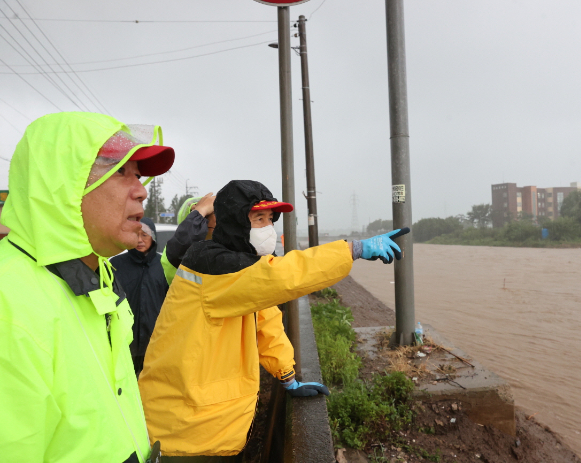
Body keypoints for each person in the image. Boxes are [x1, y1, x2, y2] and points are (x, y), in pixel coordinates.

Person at [138, 180, 409, 461]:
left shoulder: (240, 266)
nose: (267, 227)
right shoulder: (212, 265)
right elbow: (284, 275)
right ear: (234, 223)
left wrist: (287, 376)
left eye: (270, 219)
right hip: (184, 432)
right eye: (258, 218)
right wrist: (351, 250)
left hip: (216, 426)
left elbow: (266, 322)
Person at [0, 112, 174, 463]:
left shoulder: (100, 274)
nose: (141, 190)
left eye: (139, 175)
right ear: (61, 183)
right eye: (120, 171)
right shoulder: (10, 301)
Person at [110, 217, 169, 375]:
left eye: (145, 235)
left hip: (155, 339)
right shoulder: (115, 264)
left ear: (153, 238)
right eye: (136, 235)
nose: (140, 240)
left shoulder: (164, 264)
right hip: (124, 339)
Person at [161, 193, 216, 285]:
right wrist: (200, 212)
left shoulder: (224, 247)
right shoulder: (175, 250)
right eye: (206, 214)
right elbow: (182, 248)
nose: (214, 219)